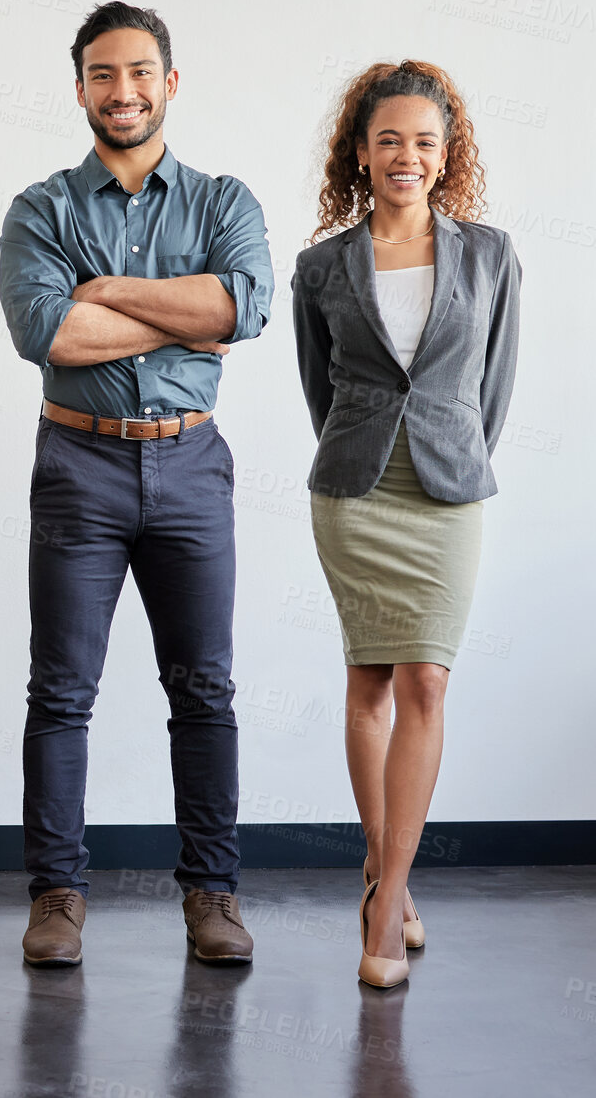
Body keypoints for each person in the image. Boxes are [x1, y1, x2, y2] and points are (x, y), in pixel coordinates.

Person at [0, 1, 273, 968]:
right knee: (62, 693)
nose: (124, 91)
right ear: (81, 88)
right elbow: (49, 335)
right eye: (104, 75)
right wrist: (185, 311)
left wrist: (107, 291)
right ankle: (57, 898)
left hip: (192, 461)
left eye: (141, 72)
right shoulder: (41, 209)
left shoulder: (224, 200)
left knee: (204, 689)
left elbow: (246, 306)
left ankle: (212, 897)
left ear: (170, 81)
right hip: (79, 462)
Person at [292, 60, 520, 988]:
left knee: (427, 678)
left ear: (446, 153)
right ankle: (388, 871)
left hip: (447, 491)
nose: (407, 156)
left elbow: (491, 389)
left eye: (425, 141)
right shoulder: (321, 265)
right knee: (370, 681)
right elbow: (322, 390)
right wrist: (367, 453)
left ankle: (387, 904)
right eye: (389, 139)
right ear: (360, 150)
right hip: (353, 490)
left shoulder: (491, 254)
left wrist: (451, 454)